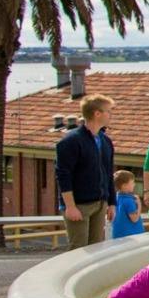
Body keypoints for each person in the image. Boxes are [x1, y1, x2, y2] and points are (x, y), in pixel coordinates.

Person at [55, 94, 116, 249]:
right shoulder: (71, 141)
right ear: (97, 113)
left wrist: (111, 203)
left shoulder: (105, 141)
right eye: (108, 111)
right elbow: (63, 175)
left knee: (96, 250)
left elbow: (108, 173)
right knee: (78, 250)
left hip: (99, 203)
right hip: (78, 205)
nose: (111, 115)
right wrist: (70, 206)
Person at [110, 170, 144, 239]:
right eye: (132, 183)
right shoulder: (128, 201)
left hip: (118, 234)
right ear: (124, 186)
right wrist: (139, 205)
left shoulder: (116, 197)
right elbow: (134, 219)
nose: (134, 184)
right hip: (131, 236)